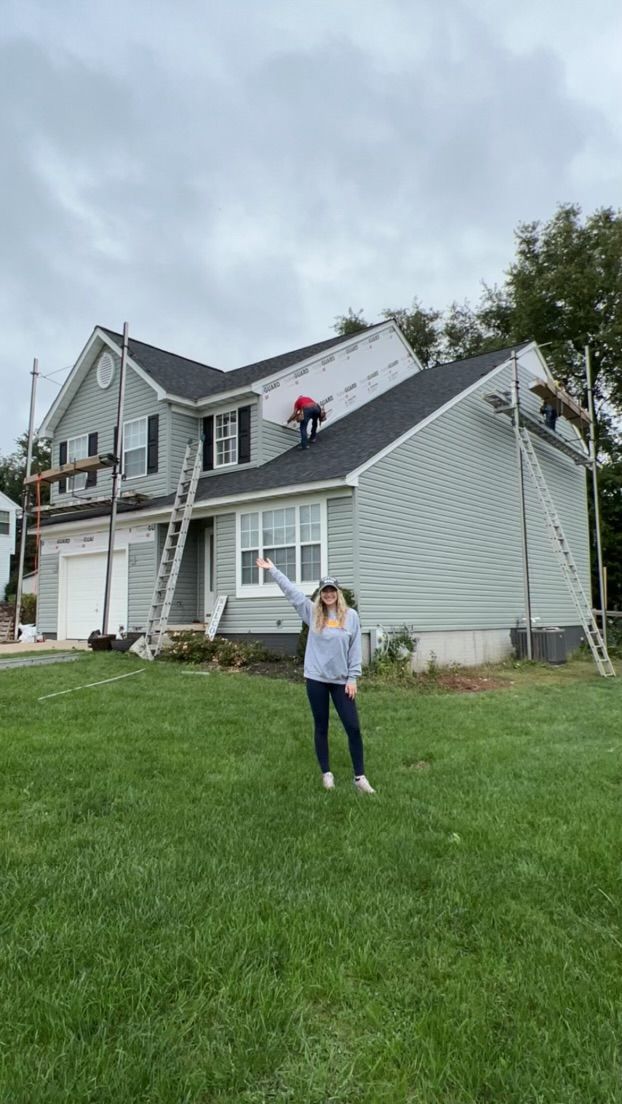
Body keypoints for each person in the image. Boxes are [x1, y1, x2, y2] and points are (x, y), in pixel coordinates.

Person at [256, 557, 375, 793]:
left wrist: (352, 678)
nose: (329, 594)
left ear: (338, 593)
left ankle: (360, 778)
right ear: (320, 594)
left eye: (332, 590)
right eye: (325, 591)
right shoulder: (312, 613)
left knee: (353, 727)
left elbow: (355, 649)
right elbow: (291, 593)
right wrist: (273, 571)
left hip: (341, 681)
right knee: (321, 726)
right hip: (316, 679)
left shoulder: (350, 616)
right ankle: (326, 773)